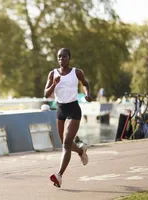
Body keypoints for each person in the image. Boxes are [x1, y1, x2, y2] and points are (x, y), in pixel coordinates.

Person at [44, 48, 92, 188]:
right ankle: (81, 151)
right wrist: (54, 83)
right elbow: (46, 94)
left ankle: (59, 176)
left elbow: (85, 84)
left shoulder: (77, 72)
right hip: (60, 110)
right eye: (59, 57)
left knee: (66, 144)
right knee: (66, 144)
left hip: (73, 109)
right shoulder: (52, 74)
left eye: (64, 57)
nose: (61, 60)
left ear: (69, 58)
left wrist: (87, 94)